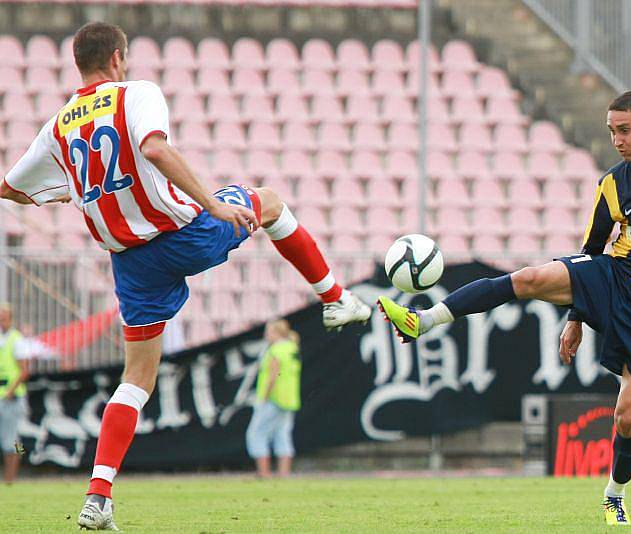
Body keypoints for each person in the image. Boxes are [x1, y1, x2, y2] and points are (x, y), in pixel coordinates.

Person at [0, 22, 370, 530]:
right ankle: (335, 297)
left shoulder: (58, 125)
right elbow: (153, 148)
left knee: (135, 379)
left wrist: (61, 190)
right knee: (268, 203)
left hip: (131, 265)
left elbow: (11, 188)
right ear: (116, 57)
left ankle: (98, 495)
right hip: (181, 234)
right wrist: (212, 203)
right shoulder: (136, 93)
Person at [378, 67, 631, 526]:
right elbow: (592, 251)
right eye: (610, 132)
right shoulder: (613, 185)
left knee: (628, 415)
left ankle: (614, 494)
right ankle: (423, 320)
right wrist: (576, 317)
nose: (616, 140)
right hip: (616, 275)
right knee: (530, 278)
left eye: (624, 131)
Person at [246, 320, 302, 478]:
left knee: (257, 433)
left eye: (268, 332)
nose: (266, 336)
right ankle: (284, 474)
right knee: (282, 434)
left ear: (276, 333)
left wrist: (263, 397)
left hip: (273, 398)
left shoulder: (275, 350)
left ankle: (264, 473)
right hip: (289, 399)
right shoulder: (292, 348)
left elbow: (272, 376)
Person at [0, 303, 29, 484]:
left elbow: (24, 370)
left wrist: (10, 391)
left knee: (13, 440)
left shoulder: (17, 339)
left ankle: (13, 475)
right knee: (7, 438)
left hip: (13, 397)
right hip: (3, 395)